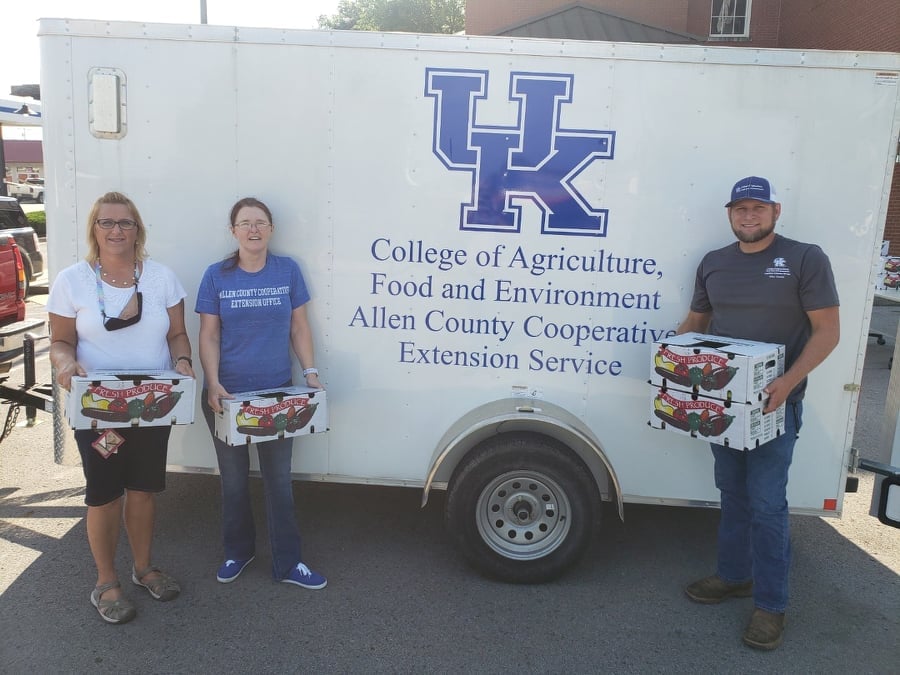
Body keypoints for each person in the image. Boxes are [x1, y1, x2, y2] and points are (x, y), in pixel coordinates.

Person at [677, 176, 840, 650]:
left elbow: (827, 331)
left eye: (758, 208)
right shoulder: (714, 264)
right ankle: (734, 576)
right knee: (732, 493)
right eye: (740, 209)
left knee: (768, 504)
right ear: (730, 213)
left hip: (775, 405)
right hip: (723, 404)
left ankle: (771, 605)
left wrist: (787, 384)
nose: (749, 217)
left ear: (776, 211)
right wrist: (669, 358)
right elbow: (696, 323)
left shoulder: (805, 258)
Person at [48, 191, 195, 624]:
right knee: (104, 493)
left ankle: (144, 568)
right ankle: (106, 582)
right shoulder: (72, 280)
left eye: (125, 223)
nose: (116, 230)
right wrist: (64, 362)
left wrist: (184, 361)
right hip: (100, 412)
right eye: (107, 222)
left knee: (144, 490)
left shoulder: (162, 278)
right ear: (94, 229)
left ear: (138, 231)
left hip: (152, 406)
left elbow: (177, 336)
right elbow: (60, 341)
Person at [195, 197, 326, 590]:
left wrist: (311, 372)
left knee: (278, 482)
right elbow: (209, 333)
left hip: (277, 398)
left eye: (261, 223)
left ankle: (288, 562)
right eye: (245, 222)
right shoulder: (216, 275)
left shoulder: (287, 270)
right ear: (233, 230)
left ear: (270, 230)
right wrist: (213, 382)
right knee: (233, 482)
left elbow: (299, 328)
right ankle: (238, 551)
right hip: (228, 397)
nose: (253, 229)